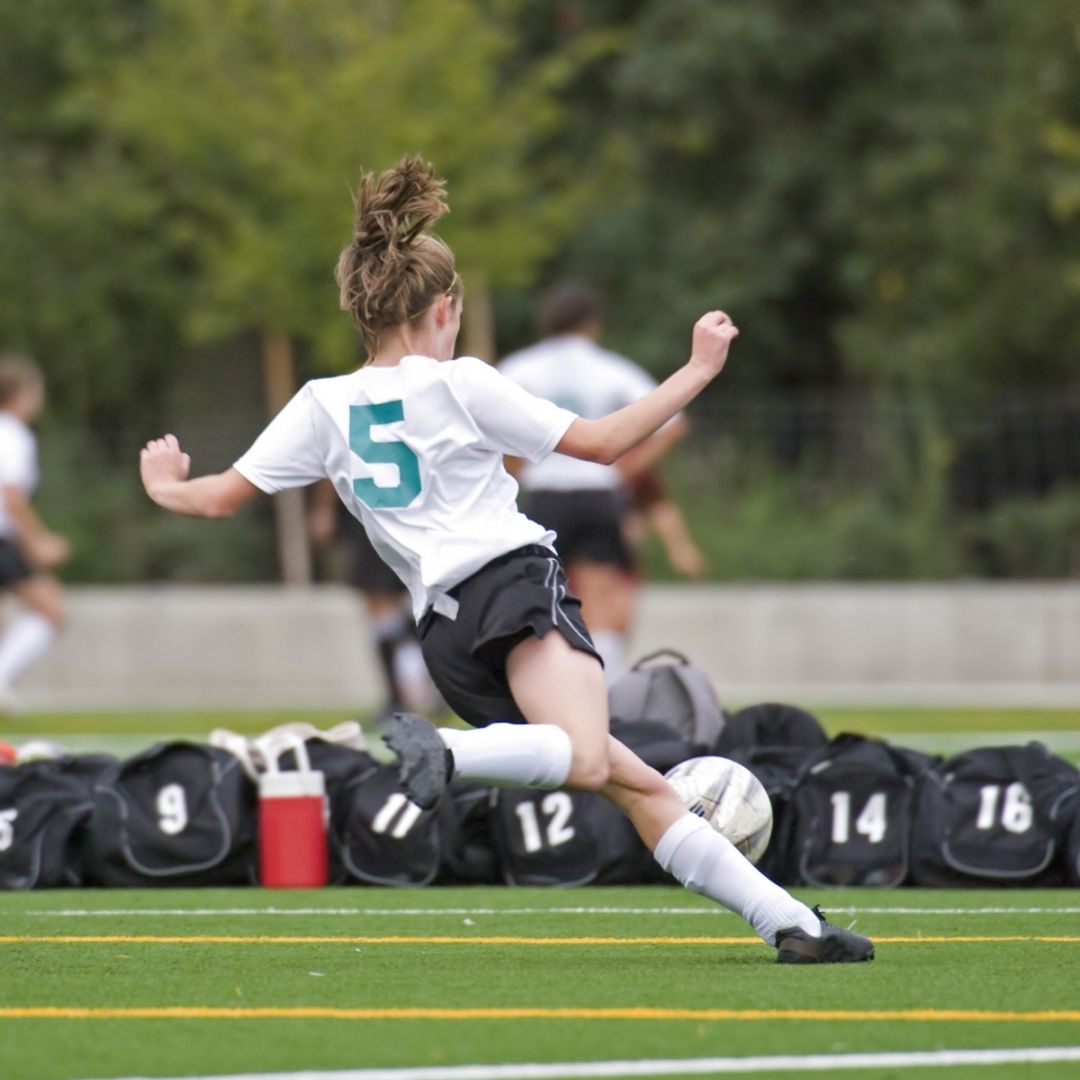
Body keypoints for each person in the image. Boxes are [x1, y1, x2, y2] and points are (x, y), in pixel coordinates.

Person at [138, 156, 873, 964]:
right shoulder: (460, 383)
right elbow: (601, 444)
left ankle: (792, 925)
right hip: (513, 587)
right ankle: (448, 752)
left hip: (446, 634)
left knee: (636, 784)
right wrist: (697, 369)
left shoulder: (322, 404)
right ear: (443, 308)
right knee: (588, 755)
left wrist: (166, 483)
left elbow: (212, 498)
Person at [498, 283, 688, 681]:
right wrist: (624, 469)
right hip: (597, 495)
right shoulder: (610, 368)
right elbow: (673, 424)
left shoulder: (522, 367)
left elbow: (484, 423)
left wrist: (519, 467)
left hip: (545, 495)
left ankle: (546, 684)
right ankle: (606, 690)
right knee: (602, 598)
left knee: (540, 596)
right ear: (592, 323)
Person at [308, 479, 439, 718]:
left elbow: (331, 458)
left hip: (377, 511)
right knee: (391, 609)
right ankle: (422, 687)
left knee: (382, 608)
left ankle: (408, 693)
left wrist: (323, 509)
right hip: (409, 512)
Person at [0, 356, 68, 714]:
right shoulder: (13, 435)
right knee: (50, 610)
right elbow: (11, 497)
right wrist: (37, 541)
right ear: (22, 393)